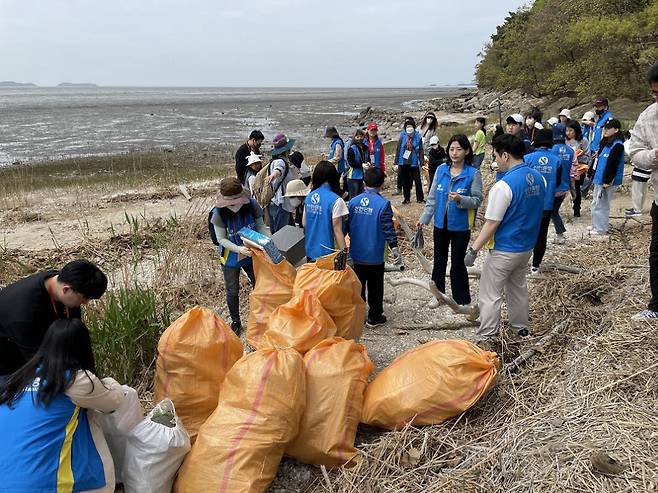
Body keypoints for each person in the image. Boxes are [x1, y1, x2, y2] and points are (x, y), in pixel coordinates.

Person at [0, 318, 124, 493]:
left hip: (4, 480)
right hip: (40, 485)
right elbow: (113, 402)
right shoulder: (74, 379)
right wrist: (109, 382)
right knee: (86, 420)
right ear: (83, 347)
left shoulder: (19, 378)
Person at [464, 134, 546, 341]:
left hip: (505, 248)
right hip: (527, 247)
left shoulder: (503, 186)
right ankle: (521, 329)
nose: (495, 161)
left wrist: (473, 249)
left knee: (490, 294)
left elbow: (492, 223)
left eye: (496, 156)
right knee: (518, 287)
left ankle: (487, 336)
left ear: (506, 155)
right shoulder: (539, 178)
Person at [0, 259, 107, 381]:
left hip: (38, 349)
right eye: (84, 298)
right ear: (66, 289)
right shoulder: (23, 314)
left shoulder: (61, 284)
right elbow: (37, 363)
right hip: (8, 363)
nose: (85, 303)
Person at [417, 134, 483, 306]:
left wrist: (461, 199)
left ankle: (461, 299)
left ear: (467, 151)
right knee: (439, 261)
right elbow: (432, 198)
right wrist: (424, 218)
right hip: (440, 223)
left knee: (457, 263)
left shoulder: (473, 174)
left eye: (459, 149)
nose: (454, 153)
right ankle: (438, 295)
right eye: (452, 149)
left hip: (461, 225)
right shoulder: (441, 170)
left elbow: (477, 200)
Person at [210, 177, 268, 333]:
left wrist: (266, 243)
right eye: (231, 203)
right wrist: (238, 249)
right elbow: (221, 239)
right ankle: (236, 321)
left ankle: (261, 315)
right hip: (230, 256)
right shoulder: (218, 214)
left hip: (252, 251)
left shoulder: (252, 205)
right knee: (232, 289)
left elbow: (261, 226)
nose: (234, 206)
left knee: (259, 283)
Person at [347, 168, 400, 327]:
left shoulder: (353, 202)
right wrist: (394, 247)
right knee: (376, 287)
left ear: (364, 183)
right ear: (382, 184)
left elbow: (347, 226)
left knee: (359, 286)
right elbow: (387, 228)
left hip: (357, 253)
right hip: (375, 255)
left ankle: (358, 315)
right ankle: (374, 317)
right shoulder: (383, 204)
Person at [629, 61, 658, 321]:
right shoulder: (649, 116)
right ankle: (656, 306)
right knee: (657, 254)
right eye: (656, 94)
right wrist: (653, 155)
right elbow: (634, 153)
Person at [524, 129, 563, 274]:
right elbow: (558, 182)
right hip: (546, 203)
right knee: (542, 234)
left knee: (526, 232)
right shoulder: (557, 160)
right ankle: (535, 266)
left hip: (529, 203)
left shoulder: (527, 158)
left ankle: (521, 263)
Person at [303, 161, 348, 261]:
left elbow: (304, 223)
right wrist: (344, 255)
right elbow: (337, 230)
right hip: (327, 254)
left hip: (310, 251)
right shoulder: (336, 200)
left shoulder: (309, 197)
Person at [589, 119, 625, 236]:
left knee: (602, 204)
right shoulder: (606, 143)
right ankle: (595, 224)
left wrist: (607, 181)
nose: (606, 130)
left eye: (609, 128)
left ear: (616, 130)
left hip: (606, 181)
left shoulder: (618, 145)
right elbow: (598, 160)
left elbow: (613, 165)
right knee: (596, 202)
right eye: (605, 128)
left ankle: (601, 228)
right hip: (599, 178)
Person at [267, 133, 300, 233]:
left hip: (276, 201)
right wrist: (274, 175)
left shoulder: (275, 161)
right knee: (280, 233)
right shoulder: (281, 162)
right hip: (281, 203)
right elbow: (279, 170)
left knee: (290, 230)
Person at [550, 123, 576, 243]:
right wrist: (573, 188)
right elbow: (573, 171)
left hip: (552, 187)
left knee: (551, 212)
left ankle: (560, 234)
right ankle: (559, 233)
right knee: (553, 211)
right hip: (564, 187)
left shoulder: (550, 151)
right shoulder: (571, 151)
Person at [394, 117, 425, 204]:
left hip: (414, 162)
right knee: (405, 181)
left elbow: (421, 150)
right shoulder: (402, 136)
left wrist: (422, 162)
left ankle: (420, 198)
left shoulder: (417, 136)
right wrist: (396, 162)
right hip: (403, 162)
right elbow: (398, 149)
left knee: (418, 181)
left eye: (411, 126)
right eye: (407, 126)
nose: (409, 128)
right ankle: (406, 198)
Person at [565, 119, 592, 218]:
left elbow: (587, 155)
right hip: (567, 167)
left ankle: (577, 208)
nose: (568, 133)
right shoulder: (565, 141)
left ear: (576, 130)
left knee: (576, 188)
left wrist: (578, 156)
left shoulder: (583, 141)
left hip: (578, 168)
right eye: (567, 130)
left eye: (571, 130)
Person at [346, 129, 369, 199]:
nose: (359, 138)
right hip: (353, 176)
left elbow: (368, 158)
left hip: (363, 175)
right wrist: (361, 165)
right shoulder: (351, 149)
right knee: (354, 196)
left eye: (361, 137)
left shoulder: (366, 148)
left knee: (361, 196)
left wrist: (368, 163)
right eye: (357, 137)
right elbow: (351, 163)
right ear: (354, 137)